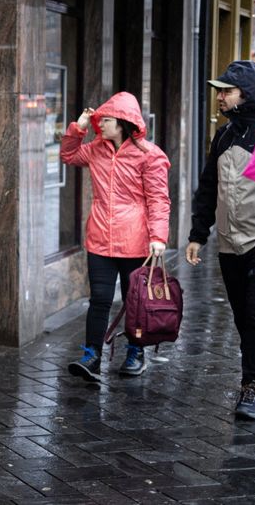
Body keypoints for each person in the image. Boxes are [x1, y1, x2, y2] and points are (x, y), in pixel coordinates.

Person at [60, 92, 170, 382]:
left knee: (135, 302)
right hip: (99, 238)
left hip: (135, 240)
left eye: (105, 120)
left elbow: (159, 199)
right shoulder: (96, 149)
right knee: (99, 300)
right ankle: (92, 355)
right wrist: (78, 127)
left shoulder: (149, 155)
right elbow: (68, 155)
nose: (100, 125)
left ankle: (136, 352)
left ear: (122, 123)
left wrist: (158, 236)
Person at [186, 60, 255, 420]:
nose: (219, 97)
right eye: (219, 91)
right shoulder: (225, 135)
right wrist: (197, 235)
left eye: (226, 91)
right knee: (242, 317)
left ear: (246, 94)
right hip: (229, 243)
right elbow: (209, 187)